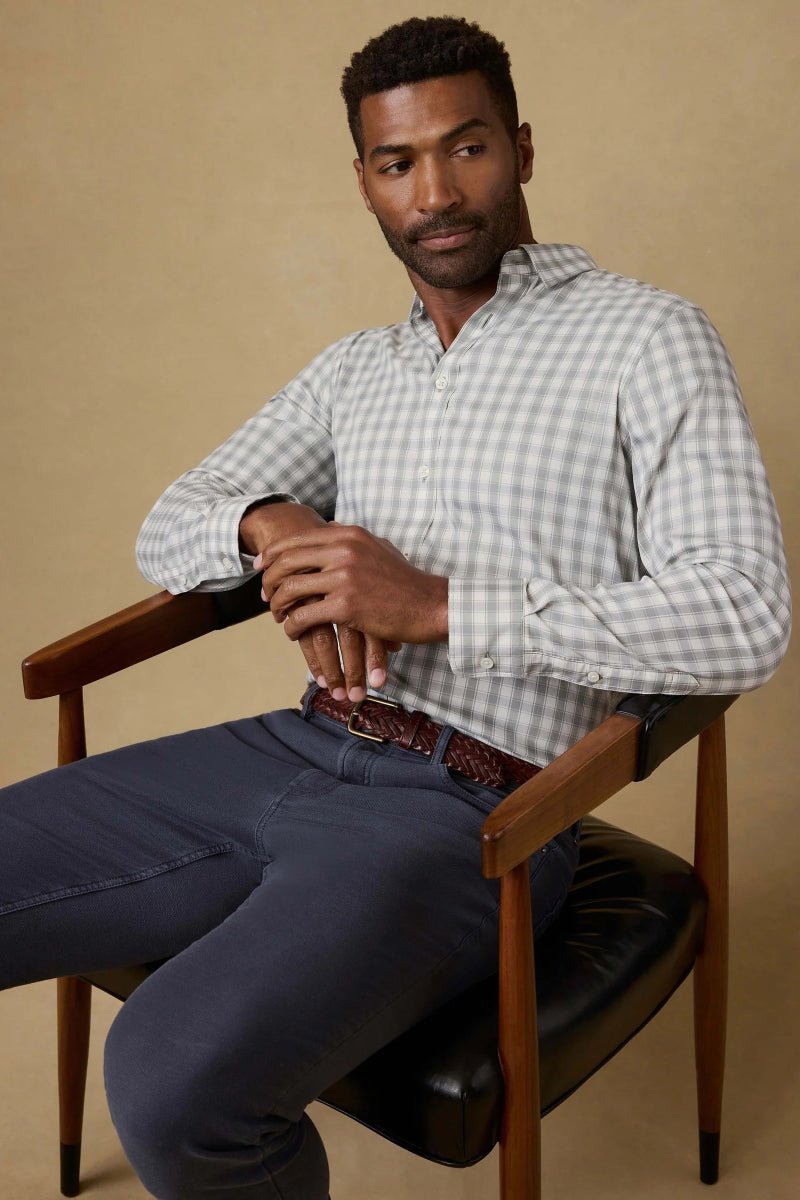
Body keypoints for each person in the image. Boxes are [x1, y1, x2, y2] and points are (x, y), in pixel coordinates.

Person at [0, 15, 790, 1200]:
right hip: (296, 745)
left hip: (473, 812)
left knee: (172, 1085)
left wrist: (443, 607)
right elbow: (176, 515)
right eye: (396, 162)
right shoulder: (356, 371)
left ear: (520, 148)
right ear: (364, 182)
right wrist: (274, 527)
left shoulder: (645, 337)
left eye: (464, 147)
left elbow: (745, 613)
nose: (435, 191)